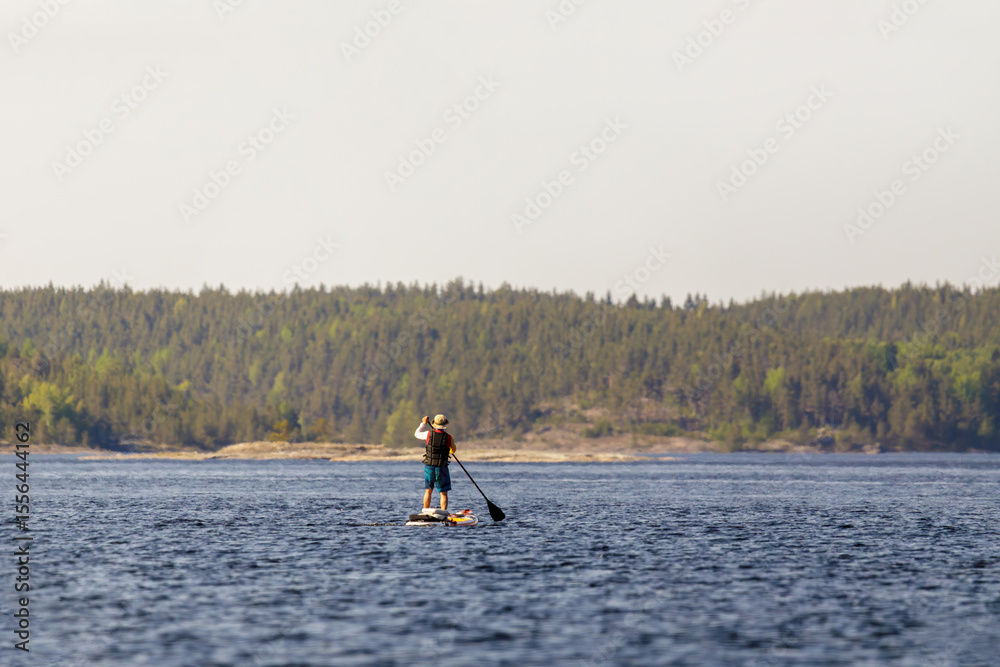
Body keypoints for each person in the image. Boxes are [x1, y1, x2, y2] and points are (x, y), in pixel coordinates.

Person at [414, 414, 456, 510]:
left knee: (428, 491)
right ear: (445, 425)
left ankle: (425, 511)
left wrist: (423, 424)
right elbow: (453, 450)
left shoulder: (428, 434)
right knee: (443, 493)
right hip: (442, 467)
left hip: (429, 466)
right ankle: (443, 513)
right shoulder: (449, 437)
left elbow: (416, 434)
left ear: (434, 424)